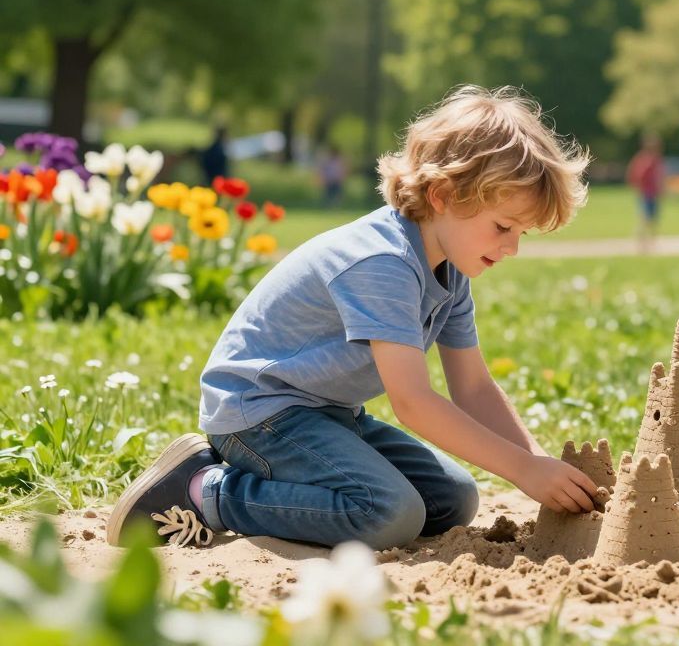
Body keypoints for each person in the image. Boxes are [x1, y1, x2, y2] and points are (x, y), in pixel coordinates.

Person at [107, 86, 601, 550]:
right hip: (260, 412)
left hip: (328, 414)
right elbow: (413, 402)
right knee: (389, 514)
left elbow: (471, 387)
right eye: (503, 227)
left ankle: (259, 481)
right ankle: (206, 489)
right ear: (443, 196)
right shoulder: (381, 262)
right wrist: (522, 469)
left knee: (454, 500)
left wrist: (537, 465)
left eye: (522, 234)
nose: (511, 248)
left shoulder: (450, 270)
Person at [625, 134, 666, 253]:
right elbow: (638, 175)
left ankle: (651, 242)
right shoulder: (645, 159)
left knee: (652, 218)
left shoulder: (655, 159)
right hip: (647, 193)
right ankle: (642, 242)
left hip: (652, 193)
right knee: (646, 218)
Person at [317, 142, 348, 207]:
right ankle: (329, 206)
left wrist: (342, 177)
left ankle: (336, 206)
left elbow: (343, 170)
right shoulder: (327, 160)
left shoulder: (339, 160)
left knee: (337, 195)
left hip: (337, 180)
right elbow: (323, 170)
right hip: (329, 180)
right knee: (328, 195)